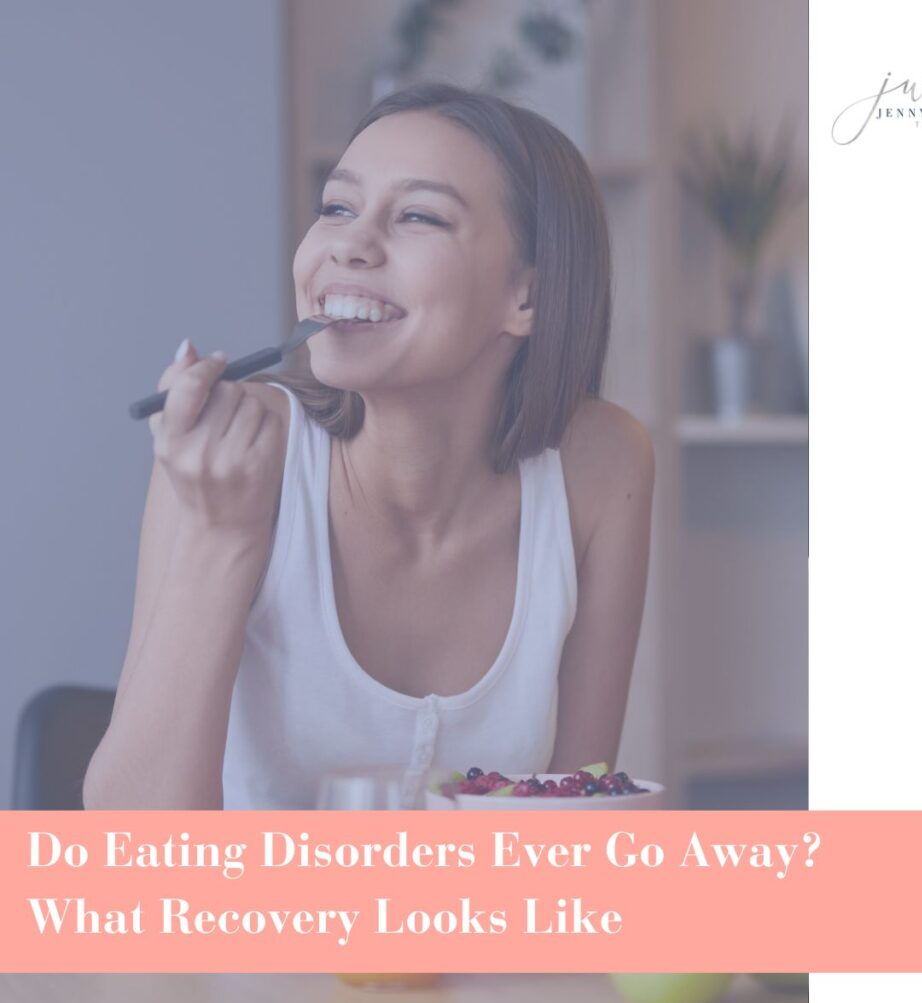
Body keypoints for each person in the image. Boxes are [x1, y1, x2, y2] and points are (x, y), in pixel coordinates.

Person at [84, 83, 654, 810]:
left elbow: (579, 819)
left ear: (527, 296)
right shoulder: (230, 458)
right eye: (337, 208)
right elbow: (128, 855)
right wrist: (219, 538)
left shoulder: (603, 466)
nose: (349, 244)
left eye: (417, 215)